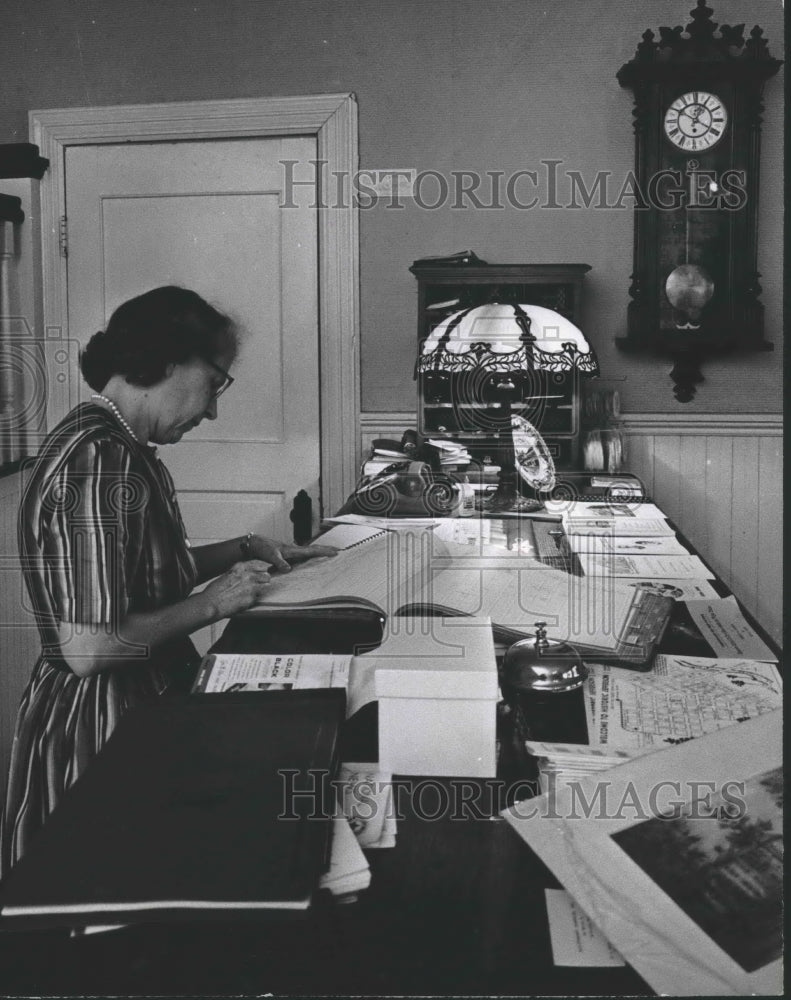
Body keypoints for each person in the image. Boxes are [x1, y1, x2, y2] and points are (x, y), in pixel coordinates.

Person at [0, 286, 335, 874]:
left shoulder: (120, 447)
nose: (211, 410)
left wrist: (247, 548)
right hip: (99, 730)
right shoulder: (95, 461)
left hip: (134, 705)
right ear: (168, 360)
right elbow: (90, 648)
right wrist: (214, 604)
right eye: (216, 383)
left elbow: (143, 572)